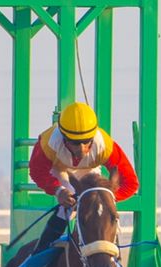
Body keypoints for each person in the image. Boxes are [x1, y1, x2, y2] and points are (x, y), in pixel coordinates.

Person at [27, 100, 139, 253]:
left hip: (90, 170)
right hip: (61, 170)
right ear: (64, 137)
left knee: (103, 213)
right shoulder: (48, 143)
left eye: (87, 142)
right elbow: (37, 171)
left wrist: (102, 199)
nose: (82, 149)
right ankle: (39, 255)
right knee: (65, 209)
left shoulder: (105, 146)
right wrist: (58, 191)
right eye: (75, 142)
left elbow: (131, 183)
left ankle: (116, 265)